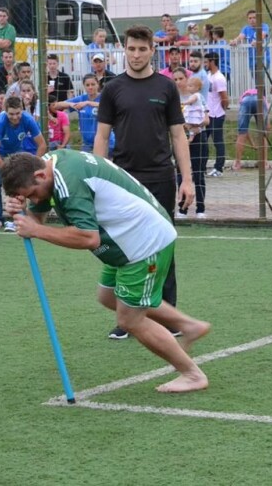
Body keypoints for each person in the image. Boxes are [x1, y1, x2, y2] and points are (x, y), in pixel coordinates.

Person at [1, 149, 211, 393]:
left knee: (129, 319)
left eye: (33, 194)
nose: (35, 200)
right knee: (108, 296)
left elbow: (88, 238)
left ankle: (192, 374)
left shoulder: (70, 182)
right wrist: (19, 207)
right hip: (124, 240)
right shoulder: (49, 165)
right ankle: (189, 325)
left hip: (143, 243)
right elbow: (37, 219)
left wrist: (35, 230)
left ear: (39, 175)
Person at [94, 24, 194, 340]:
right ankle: (127, 318)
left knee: (162, 246)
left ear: (152, 50)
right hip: (123, 181)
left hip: (161, 179)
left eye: (142, 49)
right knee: (124, 248)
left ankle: (170, 318)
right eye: (131, 49)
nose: (136, 54)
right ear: (124, 50)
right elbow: (101, 135)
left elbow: (178, 135)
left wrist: (187, 179)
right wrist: (98, 177)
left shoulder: (166, 88)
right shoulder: (112, 89)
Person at [0, 95, 46, 233]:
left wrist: (33, 167)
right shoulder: (0, 122)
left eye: (18, 113)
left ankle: (16, 220)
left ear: (22, 110)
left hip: (15, 150)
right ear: (5, 111)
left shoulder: (28, 120)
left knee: (19, 184)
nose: (15, 117)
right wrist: (6, 171)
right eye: (11, 114)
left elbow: (42, 145)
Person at [174, 69, 207, 219]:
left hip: (198, 138)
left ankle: (201, 208)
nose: (178, 82)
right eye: (175, 79)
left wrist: (195, 125)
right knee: (180, 175)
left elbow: (207, 119)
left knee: (198, 174)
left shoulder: (197, 97)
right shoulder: (172, 99)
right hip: (180, 140)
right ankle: (182, 209)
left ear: (187, 79)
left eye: (181, 78)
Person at [57, 74, 113, 153]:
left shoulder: (104, 97)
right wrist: (71, 104)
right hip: (87, 143)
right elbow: (58, 105)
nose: (90, 87)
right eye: (87, 85)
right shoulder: (81, 98)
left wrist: (89, 103)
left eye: (93, 84)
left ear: (98, 85)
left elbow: (112, 106)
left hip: (105, 142)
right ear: (84, 86)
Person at [234, 88, 272, 172]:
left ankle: (237, 163)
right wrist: (265, 135)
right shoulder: (264, 99)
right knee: (263, 133)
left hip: (245, 100)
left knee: (241, 133)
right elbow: (268, 126)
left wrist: (253, 144)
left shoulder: (243, 96)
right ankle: (264, 162)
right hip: (259, 100)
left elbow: (245, 131)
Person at [204, 51, 228, 178]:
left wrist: (221, 110)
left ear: (212, 62)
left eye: (207, 62)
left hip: (217, 115)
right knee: (203, 141)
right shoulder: (208, 75)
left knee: (218, 142)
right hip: (208, 115)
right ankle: (201, 166)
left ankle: (219, 168)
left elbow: (224, 98)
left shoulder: (219, 78)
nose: (205, 64)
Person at [230, 10, 270, 76]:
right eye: (250, 18)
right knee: (255, 79)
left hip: (263, 58)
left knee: (260, 79)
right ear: (247, 19)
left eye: (254, 18)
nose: (252, 20)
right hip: (252, 59)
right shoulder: (246, 29)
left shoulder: (264, 26)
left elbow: (263, 35)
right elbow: (240, 37)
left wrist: (257, 41)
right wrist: (235, 41)